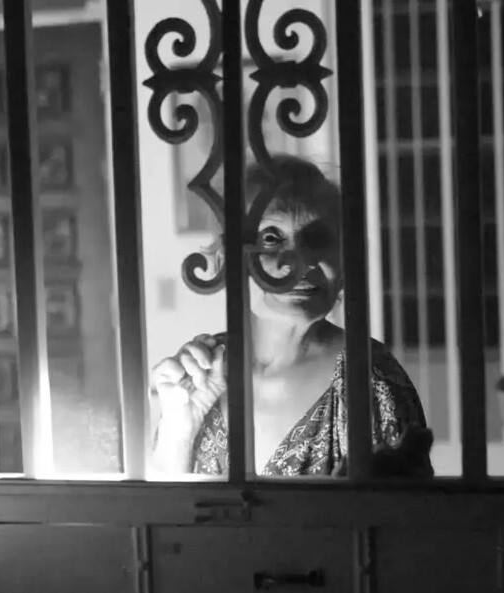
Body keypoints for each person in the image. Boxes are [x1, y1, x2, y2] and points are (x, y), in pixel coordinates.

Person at [150, 155, 434, 477]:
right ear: (226, 259)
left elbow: (402, 506)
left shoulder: (369, 379)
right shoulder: (201, 373)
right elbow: (163, 504)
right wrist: (178, 430)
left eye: (318, 238)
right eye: (271, 238)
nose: (300, 261)